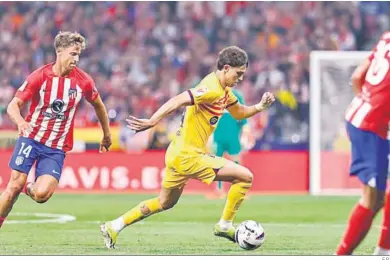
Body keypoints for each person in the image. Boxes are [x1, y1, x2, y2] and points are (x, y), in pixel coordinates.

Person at [100, 46, 275, 249]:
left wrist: (260, 107)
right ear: (226, 68)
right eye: (239, 74)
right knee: (245, 177)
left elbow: (238, 112)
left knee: (165, 202)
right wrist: (153, 121)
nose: (241, 79)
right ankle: (225, 225)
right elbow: (179, 99)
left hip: (176, 153)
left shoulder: (225, 91)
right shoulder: (211, 89)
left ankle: (114, 225)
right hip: (188, 156)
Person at [0, 31, 112, 230]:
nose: (76, 59)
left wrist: (107, 134)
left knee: (42, 195)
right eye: (73, 53)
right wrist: (20, 122)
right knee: (12, 188)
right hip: (31, 139)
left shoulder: (83, 81)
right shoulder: (40, 76)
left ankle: (27, 187)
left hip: (55, 148)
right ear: (59, 52)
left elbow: (99, 105)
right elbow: (12, 106)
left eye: (78, 54)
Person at [336, 31, 390, 255]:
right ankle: (341, 256)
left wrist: (369, 105)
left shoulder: (387, 37)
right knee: (371, 199)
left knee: (377, 198)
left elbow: (358, 76)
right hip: (372, 127)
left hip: (363, 117)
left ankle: (384, 251)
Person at [211, 88, 250, 197]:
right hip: (218, 136)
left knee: (237, 161)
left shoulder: (237, 96)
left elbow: (243, 114)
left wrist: (246, 129)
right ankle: (219, 190)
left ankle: (240, 189)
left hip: (233, 135)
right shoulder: (216, 95)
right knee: (216, 164)